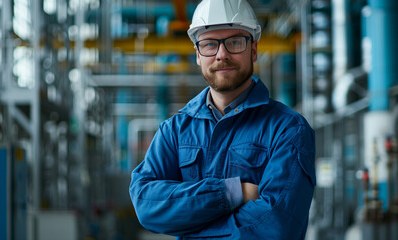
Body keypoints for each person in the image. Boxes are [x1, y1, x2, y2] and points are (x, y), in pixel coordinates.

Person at [129, 0, 316, 239]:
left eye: (235, 42)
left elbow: (276, 227)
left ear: (254, 50)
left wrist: (190, 227)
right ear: (198, 55)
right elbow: (146, 204)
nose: (222, 54)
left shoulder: (288, 129)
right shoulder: (175, 130)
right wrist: (232, 192)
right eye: (209, 44)